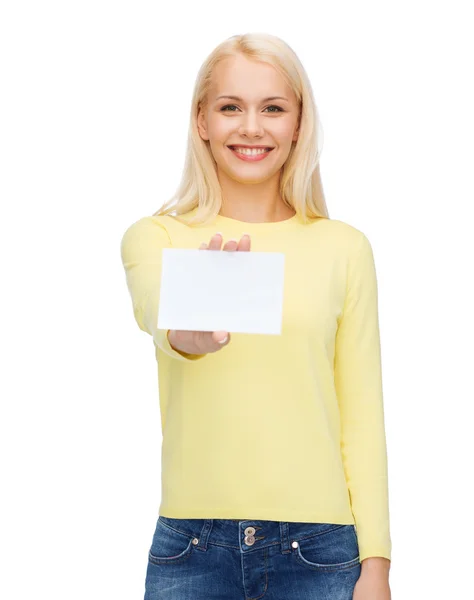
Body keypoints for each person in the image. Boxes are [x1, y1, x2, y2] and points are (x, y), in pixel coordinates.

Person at [120, 32, 392, 600]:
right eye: (229, 108)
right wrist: (190, 333)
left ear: (298, 123)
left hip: (320, 553)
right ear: (202, 121)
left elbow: (362, 417)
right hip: (191, 549)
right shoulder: (158, 236)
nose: (251, 127)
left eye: (272, 108)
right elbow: (157, 312)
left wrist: (377, 567)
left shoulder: (344, 248)